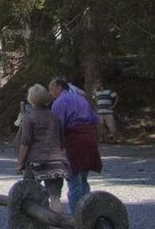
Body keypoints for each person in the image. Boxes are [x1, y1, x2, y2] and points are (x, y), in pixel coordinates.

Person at [49, 77, 102, 214]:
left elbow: (57, 127)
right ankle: (88, 212)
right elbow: (96, 120)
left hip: (73, 141)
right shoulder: (81, 99)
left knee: (73, 182)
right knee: (84, 180)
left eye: (51, 88)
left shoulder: (59, 103)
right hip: (90, 138)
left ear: (59, 88)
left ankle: (77, 217)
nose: (50, 92)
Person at [16, 84, 67, 214]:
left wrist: (20, 162)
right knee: (55, 197)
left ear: (30, 99)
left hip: (35, 161)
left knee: (29, 195)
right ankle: (58, 223)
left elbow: (25, 142)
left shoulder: (29, 117)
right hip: (56, 161)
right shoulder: (55, 117)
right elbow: (61, 139)